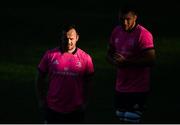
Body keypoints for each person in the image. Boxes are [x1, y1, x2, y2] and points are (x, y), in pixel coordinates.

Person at [106, 4, 156, 123]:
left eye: (128, 19)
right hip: (121, 87)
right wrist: (114, 61)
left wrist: (126, 62)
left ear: (135, 18)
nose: (124, 22)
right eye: (121, 19)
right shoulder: (116, 31)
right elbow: (108, 54)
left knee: (130, 120)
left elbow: (151, 59)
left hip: (138, 88)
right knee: (121, 118)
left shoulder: (143, 34)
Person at [36, 24, 94, 124]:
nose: (68, 42)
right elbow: (39, 78)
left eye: (71, 38)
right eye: (65, 38)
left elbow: (89, 82)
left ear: (77, 38)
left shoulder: (85, 58)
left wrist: (85, 102)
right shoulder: (50, 55)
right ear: (61, 38)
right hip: (52, 108)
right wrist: (41, 100)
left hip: (75, 110)